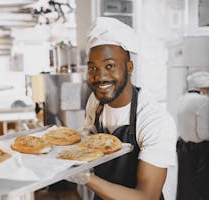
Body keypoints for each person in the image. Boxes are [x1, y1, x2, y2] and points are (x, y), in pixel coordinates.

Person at [66, 17, 177, 200]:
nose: (100, 77)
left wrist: (86, 177)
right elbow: (87, 138)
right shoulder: (96, 102)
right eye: (93, 68)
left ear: (129, 67)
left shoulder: (154, 120)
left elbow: (147, 196)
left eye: (110, 66)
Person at [176, 71, 209, 200]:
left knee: (185, 182)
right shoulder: (204, 101)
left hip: (183, 145)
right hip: (200, 148)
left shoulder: (183, 98)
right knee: (202, 184)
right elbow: (203, 132)